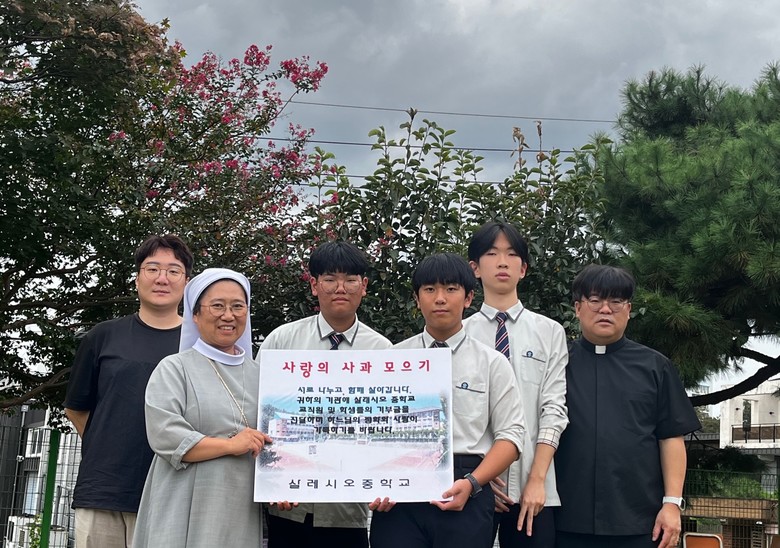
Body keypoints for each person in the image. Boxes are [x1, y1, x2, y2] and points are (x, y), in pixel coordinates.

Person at [370, 252, 526, 548]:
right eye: (430, 289)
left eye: (451, 289)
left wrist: (473, 482)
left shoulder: (492, 363)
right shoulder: (390, 361)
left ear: (468, 298)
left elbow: (512, 436)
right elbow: (370, 429)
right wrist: (377, 482)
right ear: (417, 299)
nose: (440, 298)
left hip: (466, 487)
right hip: (400, 493)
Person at [554, 264, 701, 548]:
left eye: (616, 301)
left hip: (639, 520)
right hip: (564, 517)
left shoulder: (655, 366)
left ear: (629, 309)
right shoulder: (557, 362)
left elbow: (671, 437)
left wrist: (672, 503)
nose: (605, 309)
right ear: (577, 308)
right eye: (595, 300)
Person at [259, 240, 392, 548]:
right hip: (288, 503)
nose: (340, 288)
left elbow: (385, 427)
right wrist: (270, 479)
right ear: (314, 285)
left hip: (346, 510)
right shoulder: (281, 342)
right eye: (330, 279)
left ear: (364, 286)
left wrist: (390, 481)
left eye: (350, 280)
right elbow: (257, 413)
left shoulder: (383, 352)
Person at [64, 234, 194, 548]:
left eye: (173, 271)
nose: (162, 278)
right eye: (153, 269)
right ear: (137, 278)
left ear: (187, 283)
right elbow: (76, 408)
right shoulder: (103, 336)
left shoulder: (198, 345)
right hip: (103, 492)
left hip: (171, 491)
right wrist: (109, 446)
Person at [133, 268, 272, 547]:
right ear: (194, 314)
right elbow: (165, 435)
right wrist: (231, 445)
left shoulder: (263, 375)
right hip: (181, 501)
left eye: (238, 306)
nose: (228, 315)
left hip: (239, 505)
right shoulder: (174, 368)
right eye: (217, 306)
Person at [464, 221, 568, 548]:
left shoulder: (550, 332)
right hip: (470, 488)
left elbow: (554, 410)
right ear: (474, 268)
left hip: (533, 489)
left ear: (523, 269)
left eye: (511, 254)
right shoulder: (459, 335)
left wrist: (537, 480)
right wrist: (479, 478)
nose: (502, 262)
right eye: (491, 253)